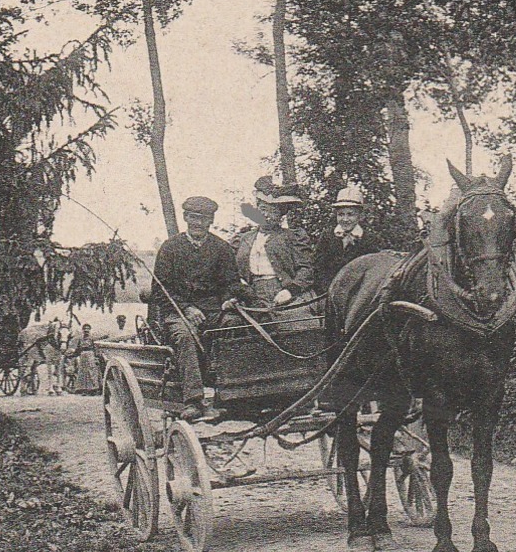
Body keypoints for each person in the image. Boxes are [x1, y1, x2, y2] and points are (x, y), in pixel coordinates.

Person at [150, 195, 250, 422]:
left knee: (234, 325)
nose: (198, 223)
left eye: (203, 219)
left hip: (215, 310)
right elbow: (160, 290)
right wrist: (186, 308)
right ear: (186, 218)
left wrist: (228, 299)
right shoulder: (170, 248)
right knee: (185, 336)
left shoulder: (221, 248)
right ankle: (193, 400)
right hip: (178, 311)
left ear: (210, 221)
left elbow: (231, 283)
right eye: (193, 218)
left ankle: (227, 394)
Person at [233, 177, 312, 306]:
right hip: (250, 295)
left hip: (282, 291)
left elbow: (306, 269)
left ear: (281, 216)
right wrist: (240, 286)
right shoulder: (243, 238)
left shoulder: (293, 237)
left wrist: (291, 290)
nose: (266, 215)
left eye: (273, 212)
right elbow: (231, 270)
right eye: (263, 209)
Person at [313, 184, 386, 295]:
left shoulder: (369, 240)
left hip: (358, 295)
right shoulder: (328, 237)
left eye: (350, 214)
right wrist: (327, 290)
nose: (345, 219)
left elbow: (374, 273)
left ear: (360, 216)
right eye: (341, 214)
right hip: (328, 293)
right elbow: (318, 267)